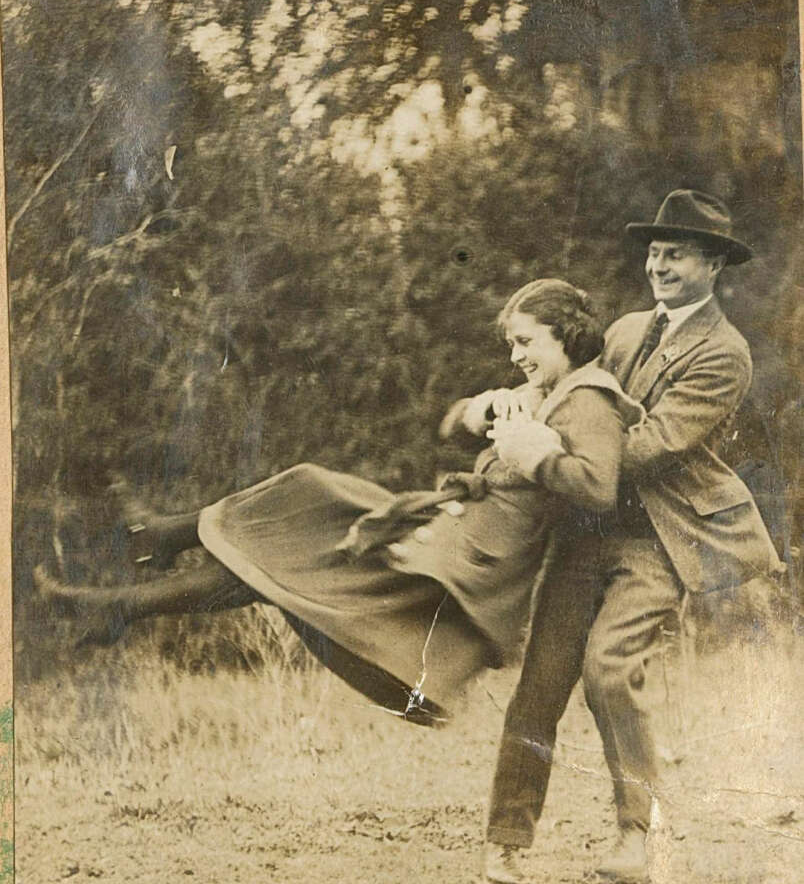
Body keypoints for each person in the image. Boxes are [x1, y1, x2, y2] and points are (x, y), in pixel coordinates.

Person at [35, 279, 640, 725]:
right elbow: (452, 424)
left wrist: (535, 452)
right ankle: (132, 587)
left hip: (467, 568)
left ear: (567, 336)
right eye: (512, 343)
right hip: (451, 533)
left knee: (300, 535)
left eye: (526, 341)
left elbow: (596, 486)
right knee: (305, 509)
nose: (516, 356)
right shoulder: (540, 389)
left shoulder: (589, 400)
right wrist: (483, 408)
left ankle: (145, 568)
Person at [481, 191, 785, 884]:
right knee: (542, 683)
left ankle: (636, 839)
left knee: (612, 669)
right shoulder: (620, 332)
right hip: (584, 531)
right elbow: (570, 388)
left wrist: (544, 451)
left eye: (676, 253)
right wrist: (515, 409)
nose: (659, 265)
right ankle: (505, 840)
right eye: (654, 252)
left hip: (658, 537)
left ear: (712, 264)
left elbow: (648, 449)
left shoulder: (724, 354)